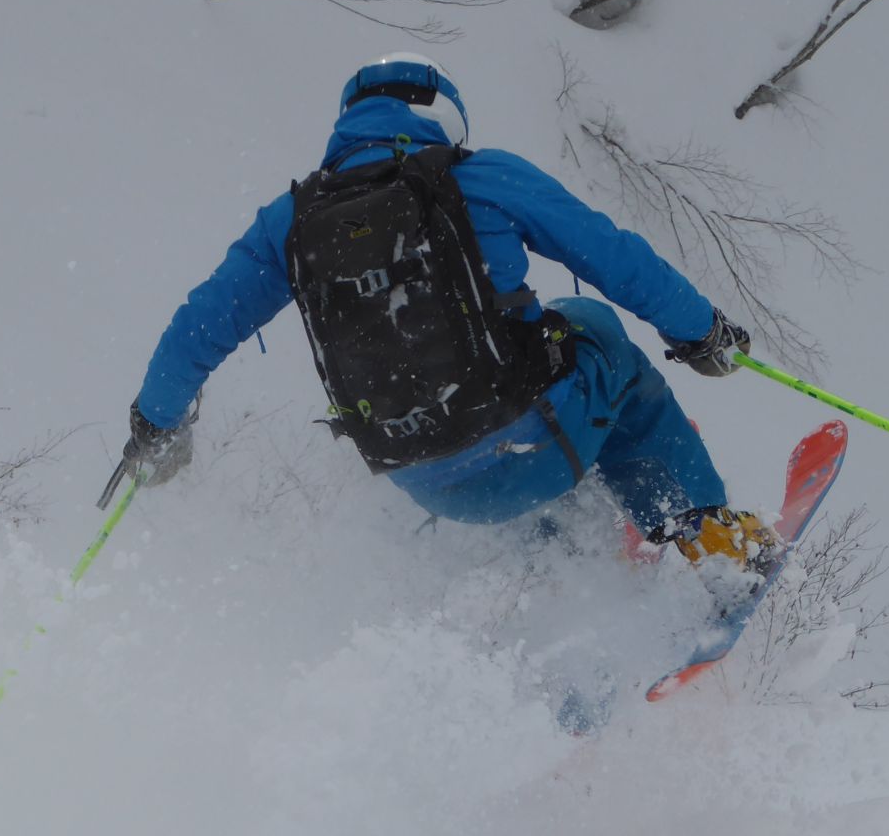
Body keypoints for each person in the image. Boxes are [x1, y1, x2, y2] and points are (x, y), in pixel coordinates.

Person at [119, 52, 778, 587]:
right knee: (592, 328)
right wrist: (700, 332)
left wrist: (155, 429)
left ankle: (567, 600)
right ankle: (704, 530)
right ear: (443, 118)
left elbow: (194, 330)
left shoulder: (289, 223)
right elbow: (617, 258)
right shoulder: (482, 177)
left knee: (493, 431)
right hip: (539, 445)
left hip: (428, 485)